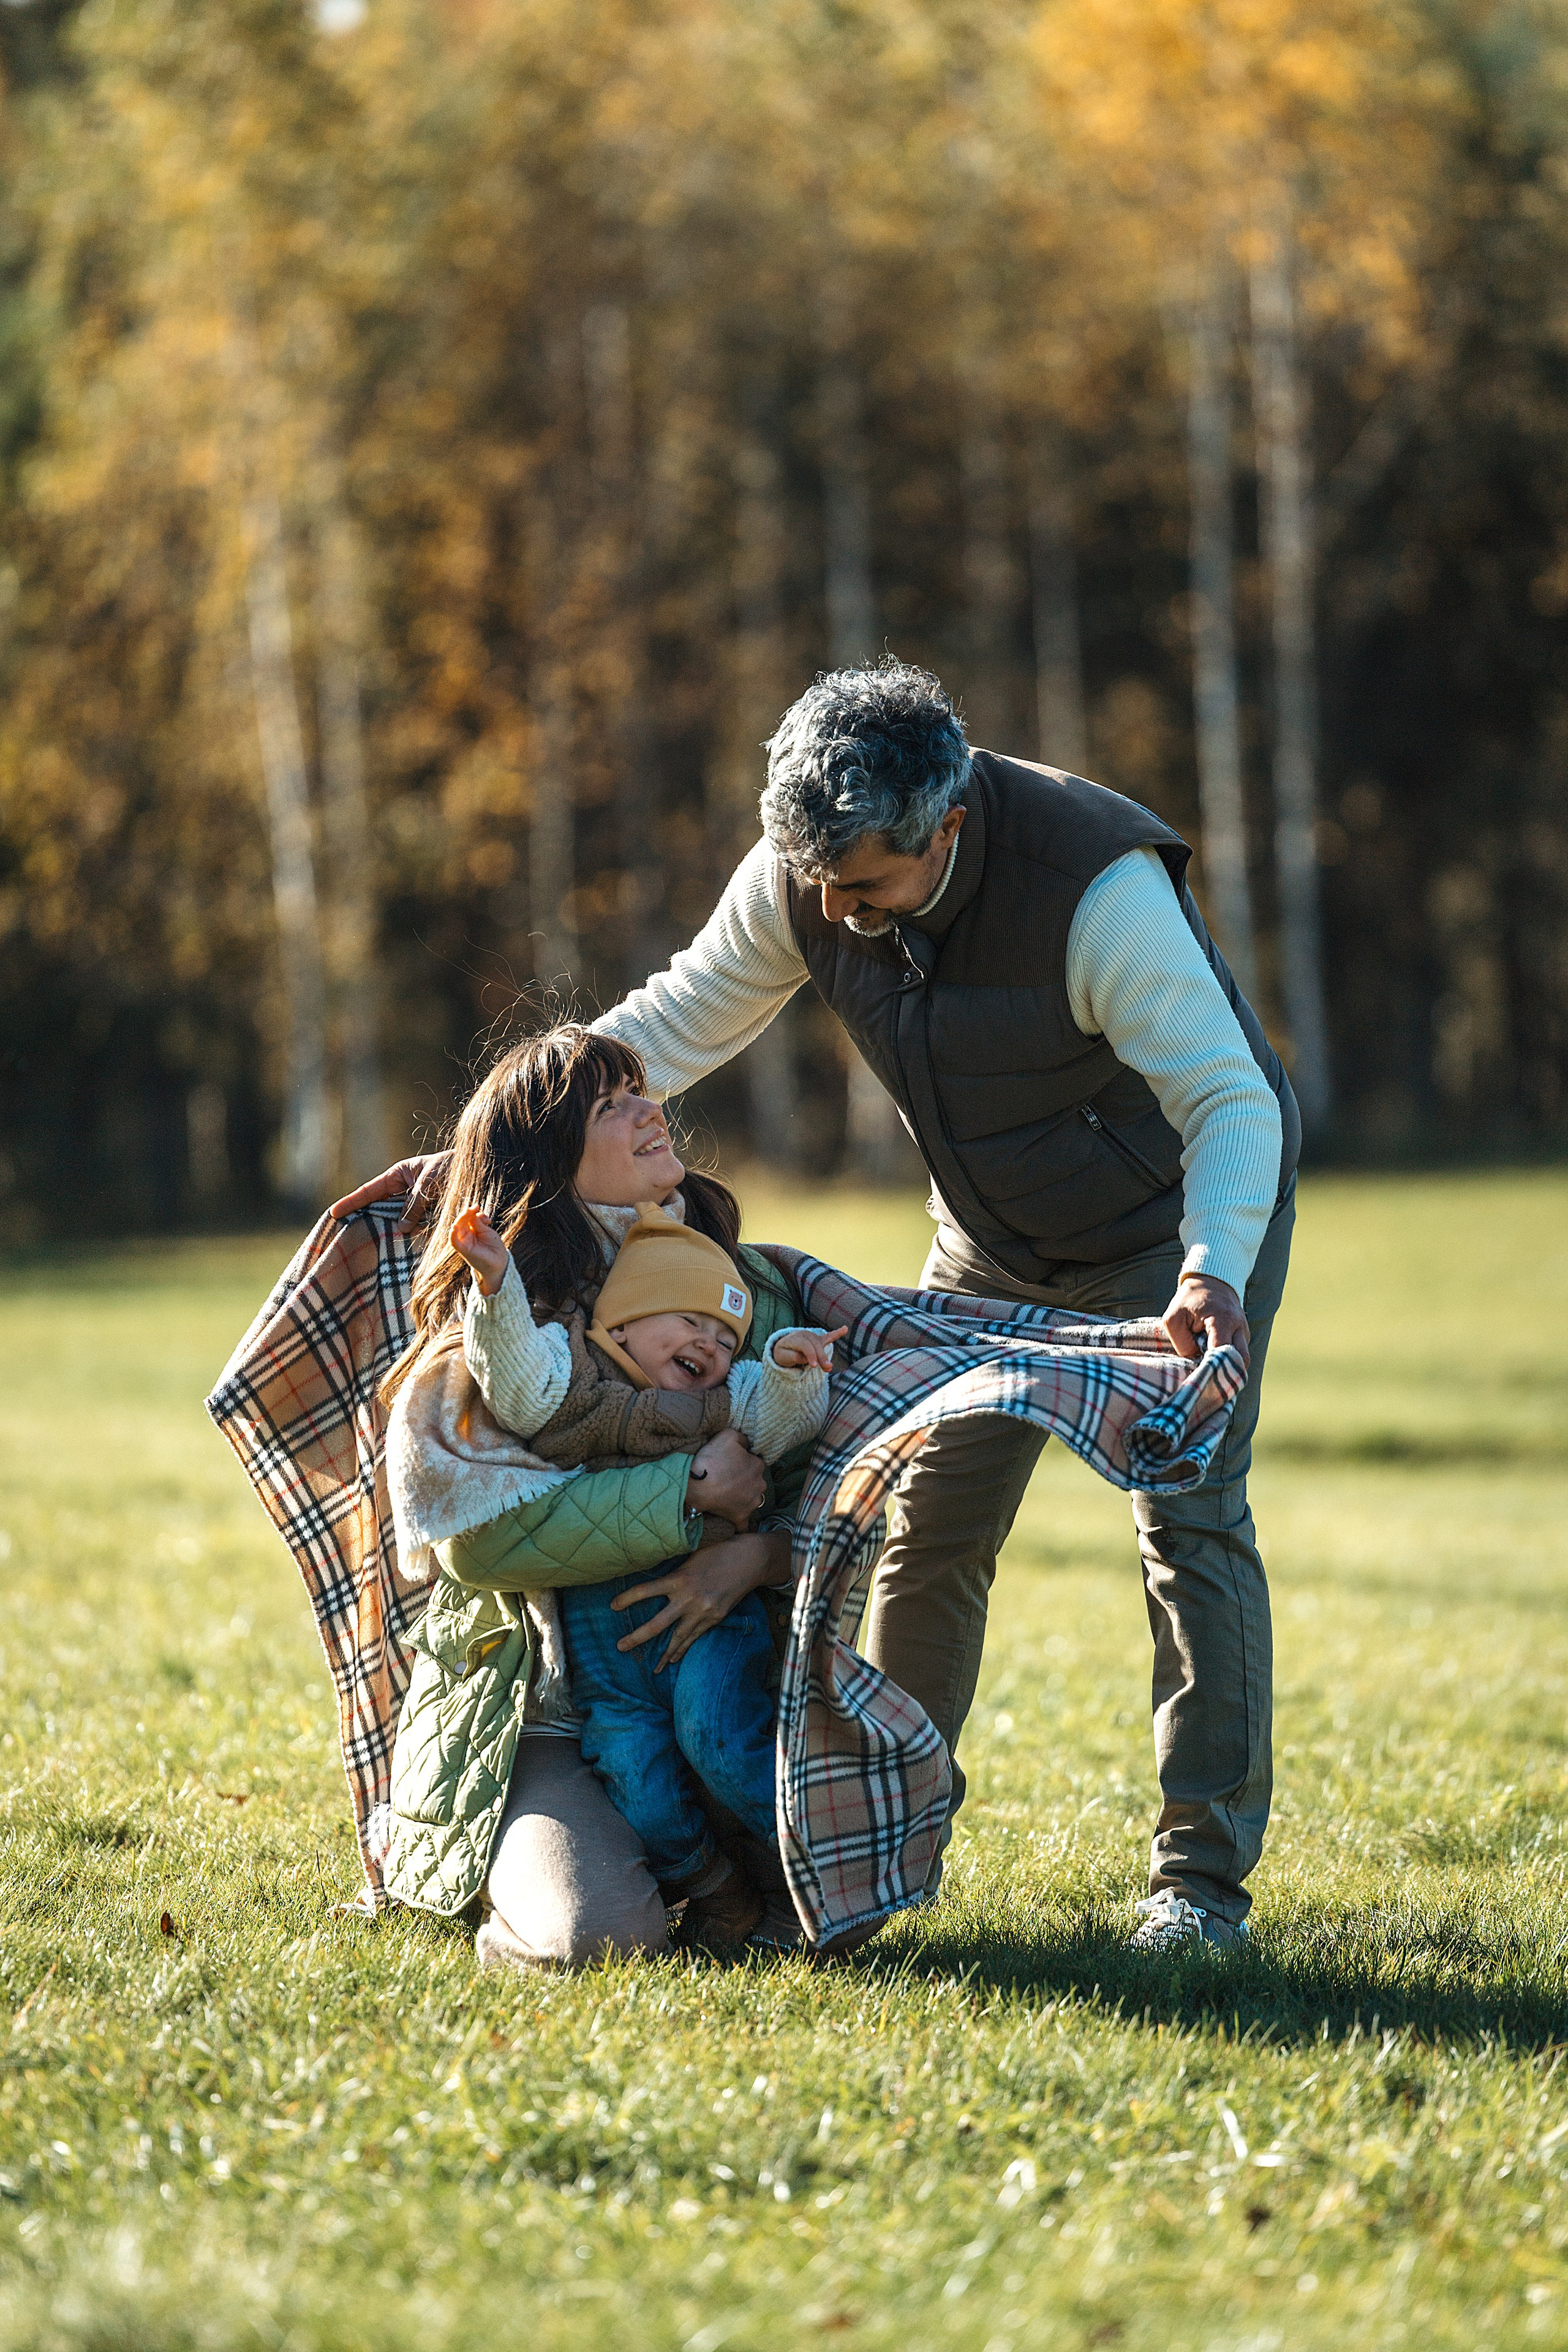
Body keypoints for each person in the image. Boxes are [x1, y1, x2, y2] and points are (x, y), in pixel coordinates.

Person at [338, 658, 1297, 1953]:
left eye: (866, 890)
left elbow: (1227, 1101)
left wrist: (1210, 1274)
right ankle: (861, 1851)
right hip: (988, 1239)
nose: (836, 915)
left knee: (1185, 1520)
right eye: (819, 887)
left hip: (1174, 1231)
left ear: (944, 827)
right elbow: (671, 1025)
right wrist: (503, 1145)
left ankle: (1196, 1887)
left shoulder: (1095, 889)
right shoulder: (807, 870)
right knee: (930, 1525)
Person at [374, 1025, 815, 1968]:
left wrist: (756, 1555)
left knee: (747, 1777)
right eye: (612, 1106)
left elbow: (844, 1495)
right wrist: (688, 1491)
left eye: (643, 1092)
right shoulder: (502, 1332)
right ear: (549, 1160)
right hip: (542, 1717)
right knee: (597, 1939)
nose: (651, 1111)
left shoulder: (745, 1288)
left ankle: (738, 1878)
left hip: (725, 1672)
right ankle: (556, 1867)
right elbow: (483, 1544)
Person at [445, 1193, 841, 1944]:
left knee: (719, 1735)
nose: (711, 1345)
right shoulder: (571, 1381)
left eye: (726, 1335)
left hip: (708, 1631)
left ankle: (811, 1867)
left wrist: (791, 1371)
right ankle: (713, 1887)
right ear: (619, 1323)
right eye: (689, 1320)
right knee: (637, 1778)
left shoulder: (733, 1396)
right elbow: (517, 1379)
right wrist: (498, 1291)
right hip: (604, 1665)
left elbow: (787, 1425)